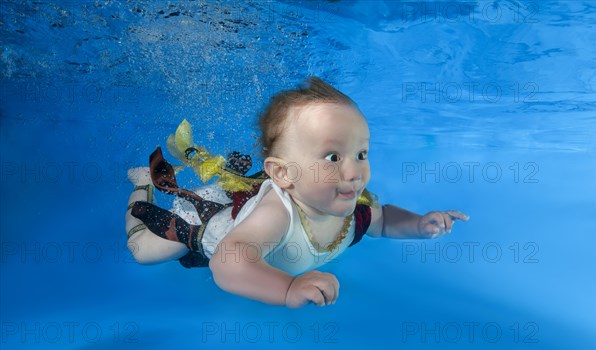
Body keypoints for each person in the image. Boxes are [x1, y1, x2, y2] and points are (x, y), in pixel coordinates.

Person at [125, 77, 469, 308]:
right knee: (144, 251)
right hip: (210, 225)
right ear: (283, 174)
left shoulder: (353, 203)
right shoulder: (279, 213)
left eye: (361, 154)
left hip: (242, 202)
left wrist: (419, 224)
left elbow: (382, 221)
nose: (354, 171)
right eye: (333, 157)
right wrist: (286, 289)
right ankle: (142, 184)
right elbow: (227, 262)